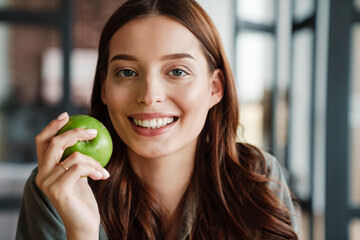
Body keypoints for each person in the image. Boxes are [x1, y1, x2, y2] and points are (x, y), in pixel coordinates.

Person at [16, 0, 300, 239]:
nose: (150, 95)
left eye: (177, 71)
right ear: (104, 88)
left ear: (214, 88)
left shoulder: (257, 177)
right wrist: (81, 233)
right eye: (127, 72)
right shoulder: (58, 186)